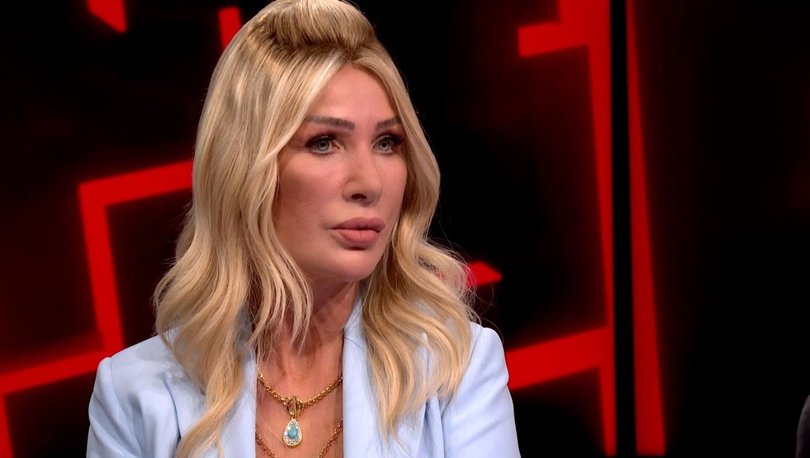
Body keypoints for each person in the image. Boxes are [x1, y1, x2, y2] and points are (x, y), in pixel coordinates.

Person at [86, 0, 520, 456]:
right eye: (324, 143)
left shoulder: (456, 370)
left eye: (387, 143)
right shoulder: (136, 395)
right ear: (247, 170)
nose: (370, 183)